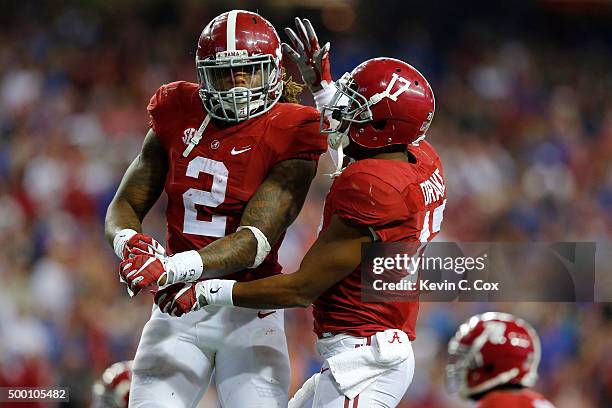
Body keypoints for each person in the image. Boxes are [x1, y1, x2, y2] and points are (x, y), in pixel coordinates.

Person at [154, 54, 444, 408]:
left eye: (353, 105)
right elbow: (363, 150)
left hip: (366, 360)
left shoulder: (371, 188)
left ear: (382, 126)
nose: (340, 108)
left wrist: (207, 291)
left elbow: (300, 289)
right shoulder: (420, 157)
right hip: (370, 350)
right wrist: (324, 89)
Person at [104, 10, 328, 408]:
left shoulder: (294, 128)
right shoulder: (178, 108)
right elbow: (125, 202)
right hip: (177, 310)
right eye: (225, 73)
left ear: (273, 71)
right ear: (204, 74)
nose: (237, 84)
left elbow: (254, 241)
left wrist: (171, 267)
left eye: (249, 71)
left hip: (247, 308)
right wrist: (129, 242)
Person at [446, 312, 556, 408]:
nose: (463, 365)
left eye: (471, 360)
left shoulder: (497, 403)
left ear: (491, 364)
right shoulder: (535, 400)